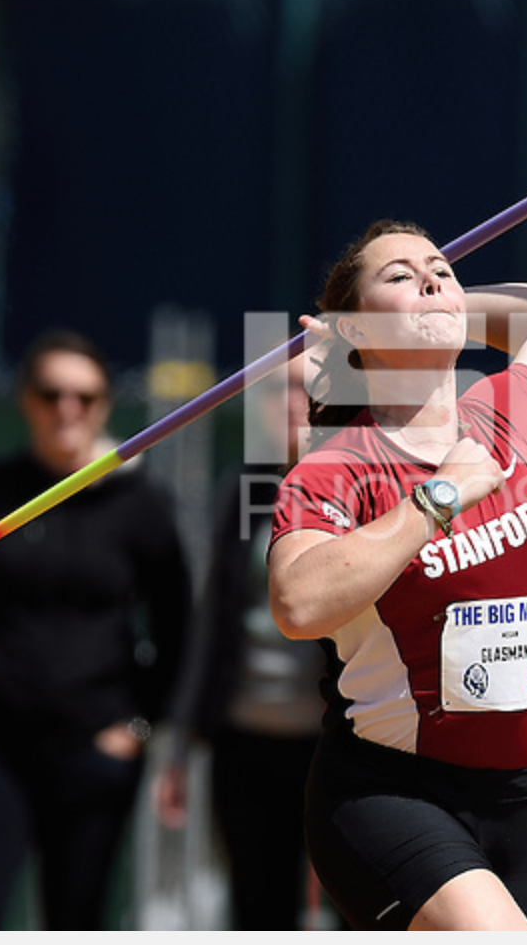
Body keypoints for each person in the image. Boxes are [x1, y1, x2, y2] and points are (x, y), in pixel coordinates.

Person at [266, 219, 527, 931]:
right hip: (394, 794)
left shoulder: (510, 413)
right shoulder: (335, 466)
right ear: (352, 330)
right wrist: (438, 498)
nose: (430, 279)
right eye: (399, 275)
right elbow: (296, 603)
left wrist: (443, 306)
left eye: (441, 269)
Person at [0, 329, 192, 930]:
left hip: (96, 746)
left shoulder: (139, 504)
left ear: (104, 405)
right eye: (51, 394)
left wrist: (140, 725)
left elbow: (175, 620)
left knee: (76, 918)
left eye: (85, 397)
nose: (68, 409)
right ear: (26, 399)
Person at [155, 353, 335, 930]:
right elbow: (213, 619)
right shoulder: (243, 487)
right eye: (274, 390)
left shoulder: (360, 482)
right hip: (245, 741)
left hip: (337, 746)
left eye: (303, 388)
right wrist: (182, 742)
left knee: (358, 902)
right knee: (257, 905)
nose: (289, 403)